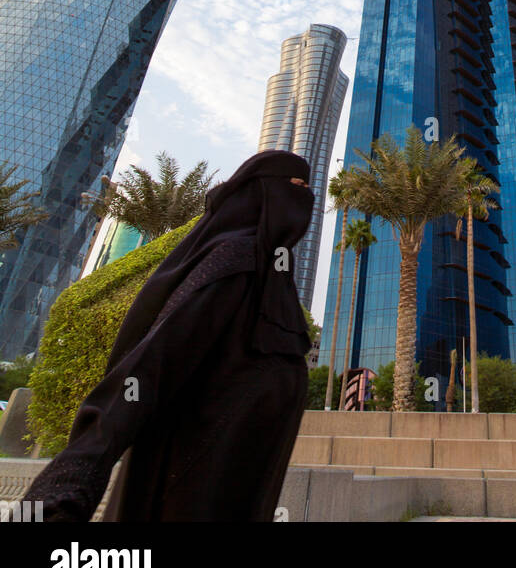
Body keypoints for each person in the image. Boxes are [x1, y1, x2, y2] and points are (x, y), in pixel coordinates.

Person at [24, 150, 314, 522]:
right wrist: (51, 500)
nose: (303, 198)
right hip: (179, 495)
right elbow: (147, 370)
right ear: (259, 192)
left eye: (307, 188)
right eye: (294, 187)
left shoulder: (272, 279)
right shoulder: (233, 262)